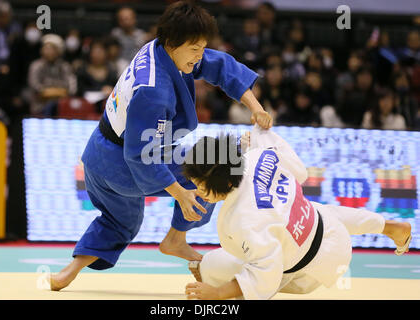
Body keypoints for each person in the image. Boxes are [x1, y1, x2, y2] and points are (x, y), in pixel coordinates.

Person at [48, 1, 272, 291]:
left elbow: (219, 66)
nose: (199, 56)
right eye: (195, 49)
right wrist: (180, 193)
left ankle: (68, 272)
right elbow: (142, 156)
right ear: (174, 43)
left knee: (121, 219)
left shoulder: (163, 49)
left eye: (201, 47)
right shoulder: (154, 90)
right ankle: (176, 239)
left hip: (95, 156)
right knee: (210, 166)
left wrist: (254, 106)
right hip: (123, 165)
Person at [183, 126, 412, 300]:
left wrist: (218, 292)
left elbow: (267, 276)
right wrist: (258, 128)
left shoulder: (243, 220)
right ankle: (387, 226)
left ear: (226, 183)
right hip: (327, 226)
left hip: (315, 269)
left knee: (212, 266)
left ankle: (215, 277)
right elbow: (299, 171)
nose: (199, 192)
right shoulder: (258, 156)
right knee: (310, 212)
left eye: (202, 187)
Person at [27, 34, 77, 115]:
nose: (49, 51)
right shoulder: (35, 66)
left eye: (52, 49)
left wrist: (49, 91)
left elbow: (71, 89)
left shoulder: (65, 66)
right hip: (39, 107)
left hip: (62, 107)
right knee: (50, 105)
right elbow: (36, 88)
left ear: (59, 51)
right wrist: (58, 92)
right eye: (46, 48)